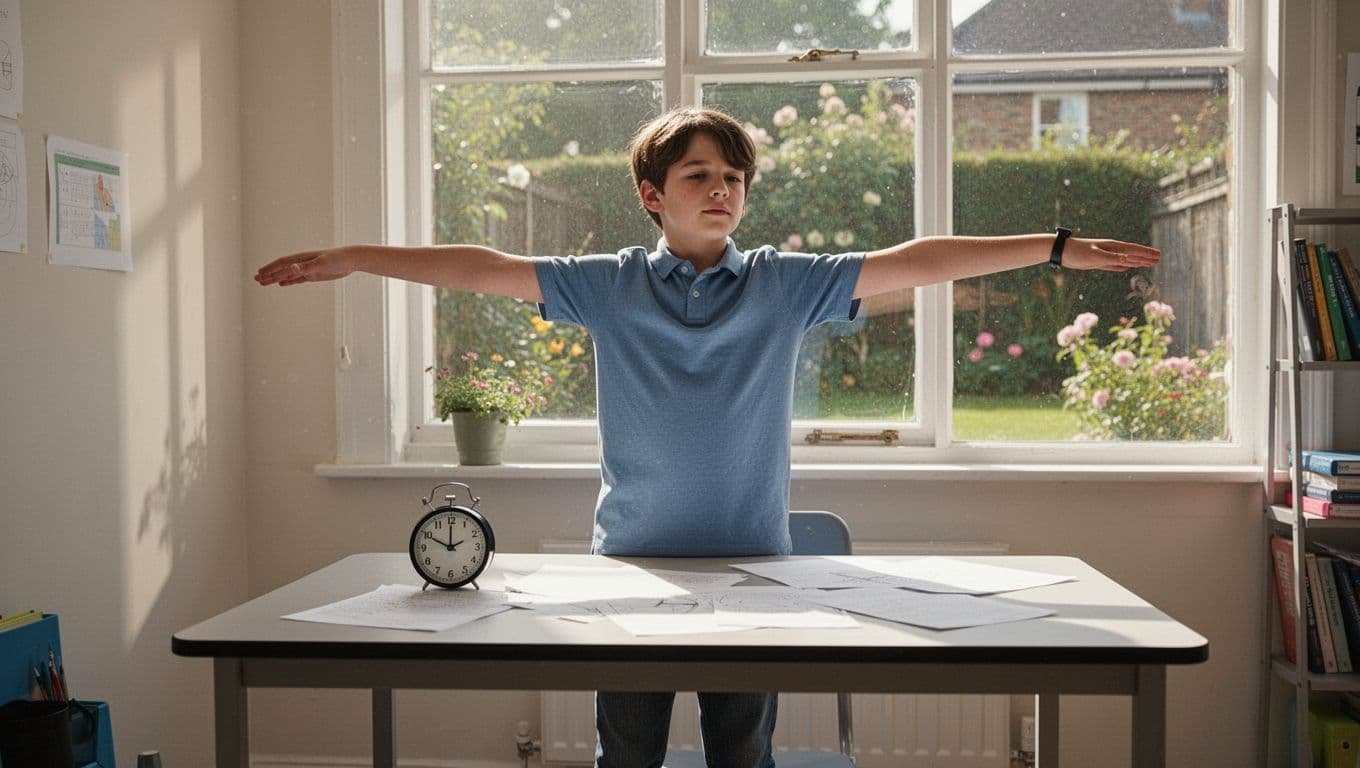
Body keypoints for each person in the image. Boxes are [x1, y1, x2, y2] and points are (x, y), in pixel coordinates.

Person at [256, 106, 1159, 768]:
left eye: (733, 177)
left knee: (742, 758)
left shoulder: (782, 283)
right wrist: (357, 259)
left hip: (758, 573)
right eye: (699, 175)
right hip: (631, 574)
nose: (721, 189)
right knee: (629, 758)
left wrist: (1053, 246)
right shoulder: (607, 285)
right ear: (653, 195)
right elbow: (482, 268)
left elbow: (917, 259)